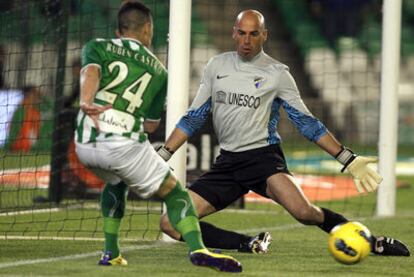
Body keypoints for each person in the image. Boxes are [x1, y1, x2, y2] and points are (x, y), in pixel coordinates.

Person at [157, 10, 410, 257]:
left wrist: (347, 158)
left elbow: (306, 122)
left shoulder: (277, 73)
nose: (246, 40)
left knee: (304, 212)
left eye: (253, 34)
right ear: (234, 33)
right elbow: (194, 117)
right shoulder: (216, 66)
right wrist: (163, 154)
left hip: (263, 160)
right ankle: (249, 243)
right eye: (242, 33)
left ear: (265, 35)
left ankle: (372, 241)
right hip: (228, 163)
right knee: (171, 222)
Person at [74, 1, 242, 272]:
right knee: (177, 194)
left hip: (84, 144)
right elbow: (151, 127)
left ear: (119, 30)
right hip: (121, 144)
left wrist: (85, 101)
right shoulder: (159, 70)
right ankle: (198, 249)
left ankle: (111, 252)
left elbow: (90, 71)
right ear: (148, 29)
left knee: (116, 182)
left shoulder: (96, 46)